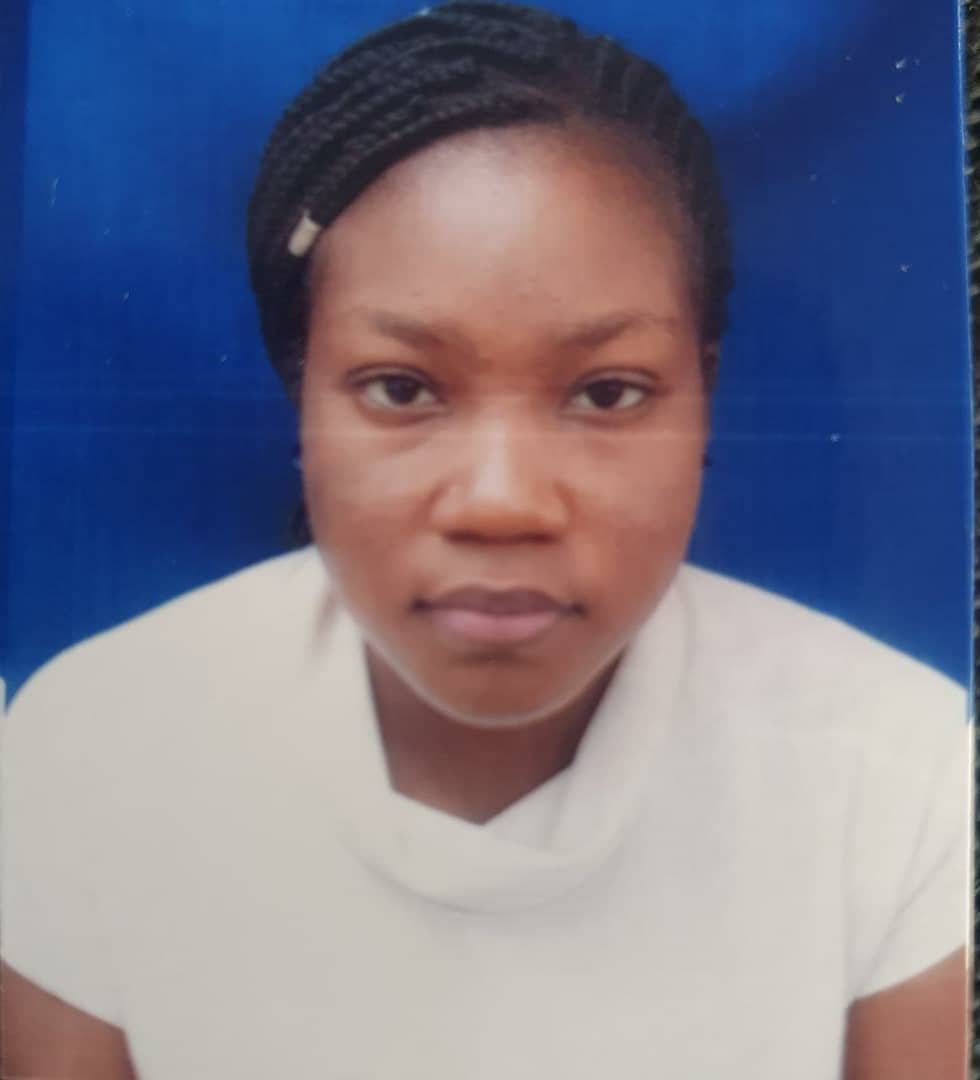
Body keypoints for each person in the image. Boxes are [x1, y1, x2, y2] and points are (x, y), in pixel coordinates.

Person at [1, 3, 970, 1078]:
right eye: (401, 388)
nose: (501, 504)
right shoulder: (93, 755)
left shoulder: (894, 772)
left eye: (607, 392)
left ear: (705, 397)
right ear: (300, 394)